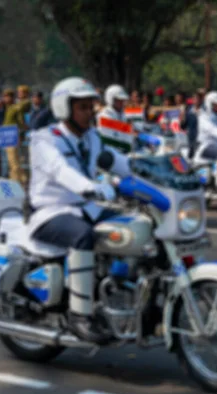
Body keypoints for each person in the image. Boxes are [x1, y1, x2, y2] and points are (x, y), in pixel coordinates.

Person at [28, 77, 131, 343]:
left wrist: (155, 172)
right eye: (82, 107)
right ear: (65, 108)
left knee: (132, 226)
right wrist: (91, 187)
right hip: (51, 211)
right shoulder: (45, 140)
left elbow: (116, 161)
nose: (88, 113)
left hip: (86, 207)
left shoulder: (93, 138)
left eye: (90, 107)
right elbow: (60, 171)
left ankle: (118, 293)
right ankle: (79, 315)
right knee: (83, 236)